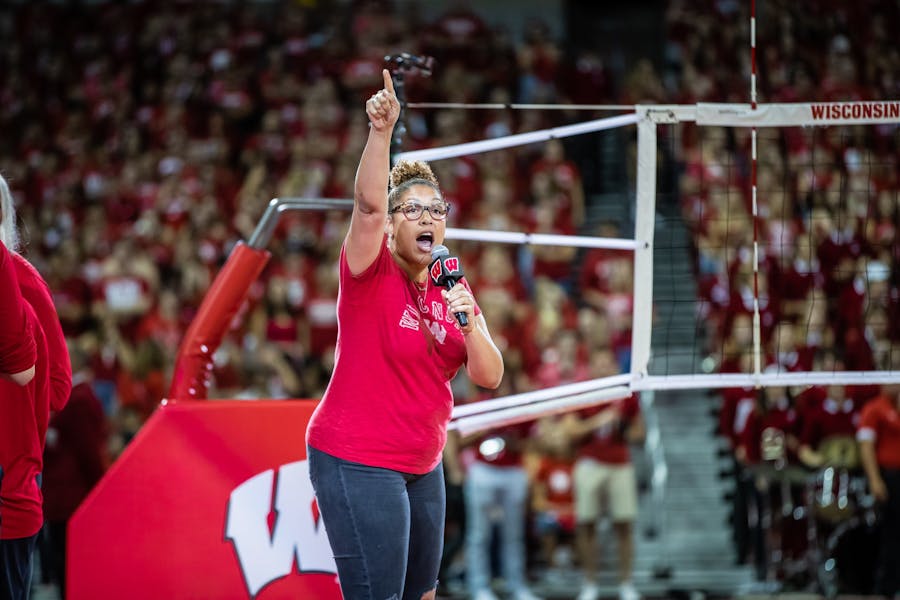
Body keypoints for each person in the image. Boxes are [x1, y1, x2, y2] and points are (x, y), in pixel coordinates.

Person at [305, 69, 504, 600]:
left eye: (436, 211)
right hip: (357, 458)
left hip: (425, 464)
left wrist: (471, 320)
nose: (427, 218)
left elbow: (488, 375)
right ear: (393, 226)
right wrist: (381, 132)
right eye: (412, 209)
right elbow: (368, 207)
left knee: (423, 596)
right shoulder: (369, 270)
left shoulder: (452, 284)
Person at [0, 174, 71, 600]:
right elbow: (57, 387)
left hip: (10, 494)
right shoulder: (23, 279)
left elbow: (57, 387)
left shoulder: (20, 282)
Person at [563, 349, 645, 600]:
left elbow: (639, 433)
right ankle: (590, 584)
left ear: (613, 367)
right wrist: (599, 421)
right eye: (597, 364)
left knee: (625, 524)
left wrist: (625, 429)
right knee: (586, 522)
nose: (602, 368)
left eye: (606, 364)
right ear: (591, 367)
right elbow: (571, 429)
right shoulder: (583, 392)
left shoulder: (626, 394)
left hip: (620, 463)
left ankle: (626, 584)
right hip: (589, 463)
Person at [462, 423, 542, 600]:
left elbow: (534, 442)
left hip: (513, 470)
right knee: (479, 534)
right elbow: (460, 437)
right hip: (483, 469)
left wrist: (514, 442)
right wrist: (485, 429)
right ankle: (479, 587)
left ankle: (517, 585)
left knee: (514, 535)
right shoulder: (481, 404)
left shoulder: (519, 404)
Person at [857, 380, 900, 597]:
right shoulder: (874, 408)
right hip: (889, 478)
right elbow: (866, 447)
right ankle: (886, 588)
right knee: (892, 534)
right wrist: (874, 480)